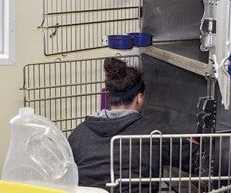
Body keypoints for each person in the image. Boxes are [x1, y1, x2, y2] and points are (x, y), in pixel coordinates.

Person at [68, 57, 195, 192]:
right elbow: (198, 161)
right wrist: (188, 142)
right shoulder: (154, 133)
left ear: (110, 97)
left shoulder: (79, 133)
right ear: (139, 98)